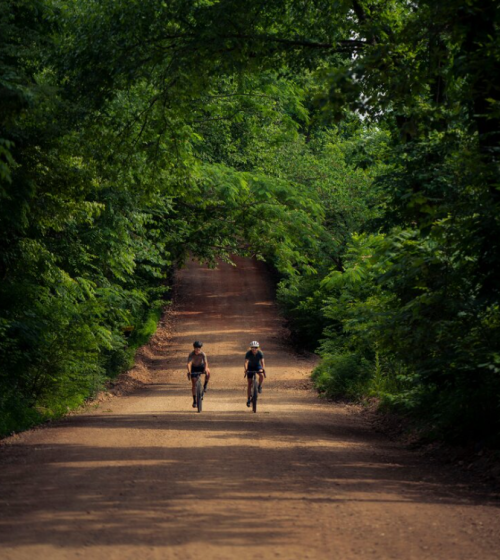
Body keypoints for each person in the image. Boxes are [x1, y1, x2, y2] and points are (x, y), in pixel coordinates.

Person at [187, 341, 210, 408]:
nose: (197, 350)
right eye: (196, 348)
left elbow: (206, 362)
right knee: (194, 383)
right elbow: (189, 363)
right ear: (194, 348)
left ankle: (205, 385)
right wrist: (189, 371)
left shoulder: (203, 354)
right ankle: (194, 400)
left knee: (208, 371)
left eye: (199, 349)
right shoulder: (191, 354)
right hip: (194, 367)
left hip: (201, 366)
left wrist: (205, 369)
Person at [244, 340, 266, 407]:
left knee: (261, 375)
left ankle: (259, 386)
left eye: (256, 347)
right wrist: (246, 369)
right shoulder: (248, 353)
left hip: (257, 366)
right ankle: (248, 399)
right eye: (253, 347)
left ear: (258, 348)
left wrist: (263, 369)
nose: (254, 349)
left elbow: (262, 362)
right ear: (251, 348)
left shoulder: (260, 353)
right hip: (250, 367)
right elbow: (246, 362)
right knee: (249, 383)